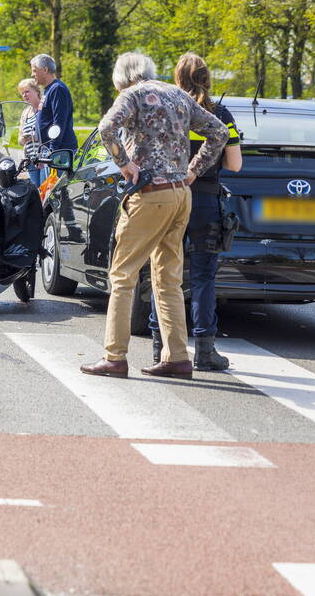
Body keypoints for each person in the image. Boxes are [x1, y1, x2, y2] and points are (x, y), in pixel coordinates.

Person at [79, 52, 228, 381]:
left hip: (149, 194)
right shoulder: (178, 95)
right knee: (169, 279)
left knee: (122, 276)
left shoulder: (132, 96)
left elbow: (106, 129)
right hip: (180, 195)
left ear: (124, 79)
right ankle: (176, 357)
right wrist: (192, 171)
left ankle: (114, 357)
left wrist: (125, 165)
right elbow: (219, 132)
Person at [148, 52, 242, 371]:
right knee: (203, 276)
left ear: (177, 79)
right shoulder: (221, 114)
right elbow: (235, 164)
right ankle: (205, 350)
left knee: (163, 274)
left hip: (167, 197)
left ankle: (160, 345)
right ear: (207, 78)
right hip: (204, 202)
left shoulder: (166, 111)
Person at [29, 54, 77, 185]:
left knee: (55, 194)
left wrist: (52, 151)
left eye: (34, 70)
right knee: (45, 193)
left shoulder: (57, 89)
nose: (32, 75)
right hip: (49, 150)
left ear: (44, 70)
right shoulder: (48, 89)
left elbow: (58, 123)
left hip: (59, 152)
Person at [17, 78, 44, 184]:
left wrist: (35, 137)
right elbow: (19, 139)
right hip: (30, 160)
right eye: (22, 93)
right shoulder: (25, 113)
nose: (24, 95)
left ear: (37, 91)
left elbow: (49, 133)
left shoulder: (43, 109)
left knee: (45, 189)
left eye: (27, 91)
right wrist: (24, 138)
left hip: (43, 158)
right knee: (36, 191)